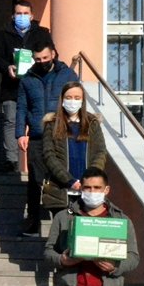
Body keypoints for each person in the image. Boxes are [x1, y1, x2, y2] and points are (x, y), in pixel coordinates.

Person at [16, 39, 78, 237]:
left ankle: (61, 226)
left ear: (53, 54)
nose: (41, 61)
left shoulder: (67, 74)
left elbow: (77, 99)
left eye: (45, 57)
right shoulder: (27, 78)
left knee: (60, 179)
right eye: (37, 59)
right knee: (35, 181)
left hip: (62, 135)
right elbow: (22, 108)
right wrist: (20, 133)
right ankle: (33, 223)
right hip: (36, 135)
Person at [0, 0, 52, 173]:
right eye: (19, 13)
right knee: (11, 121)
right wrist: (7, 67)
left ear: (32, 16)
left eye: (25, 14)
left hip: (36, 87)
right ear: (13, 16)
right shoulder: (4, 35)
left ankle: (40, 159)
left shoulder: (42, 34)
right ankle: (11, 161)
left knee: (37, 121)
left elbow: (52, 54)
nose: (22, 17)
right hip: (12, 87)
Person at [42, 82, 107, 216]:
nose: (73, 101)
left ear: (82, 101)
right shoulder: (52, 123)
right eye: (69, 97)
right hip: (61, 191)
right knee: (62, 232)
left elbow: (100, 152)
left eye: (77, 98)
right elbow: (49, 155)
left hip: (88, 192)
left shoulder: (92, 123)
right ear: (62, 99)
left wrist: (89, 179)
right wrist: (69, 180)